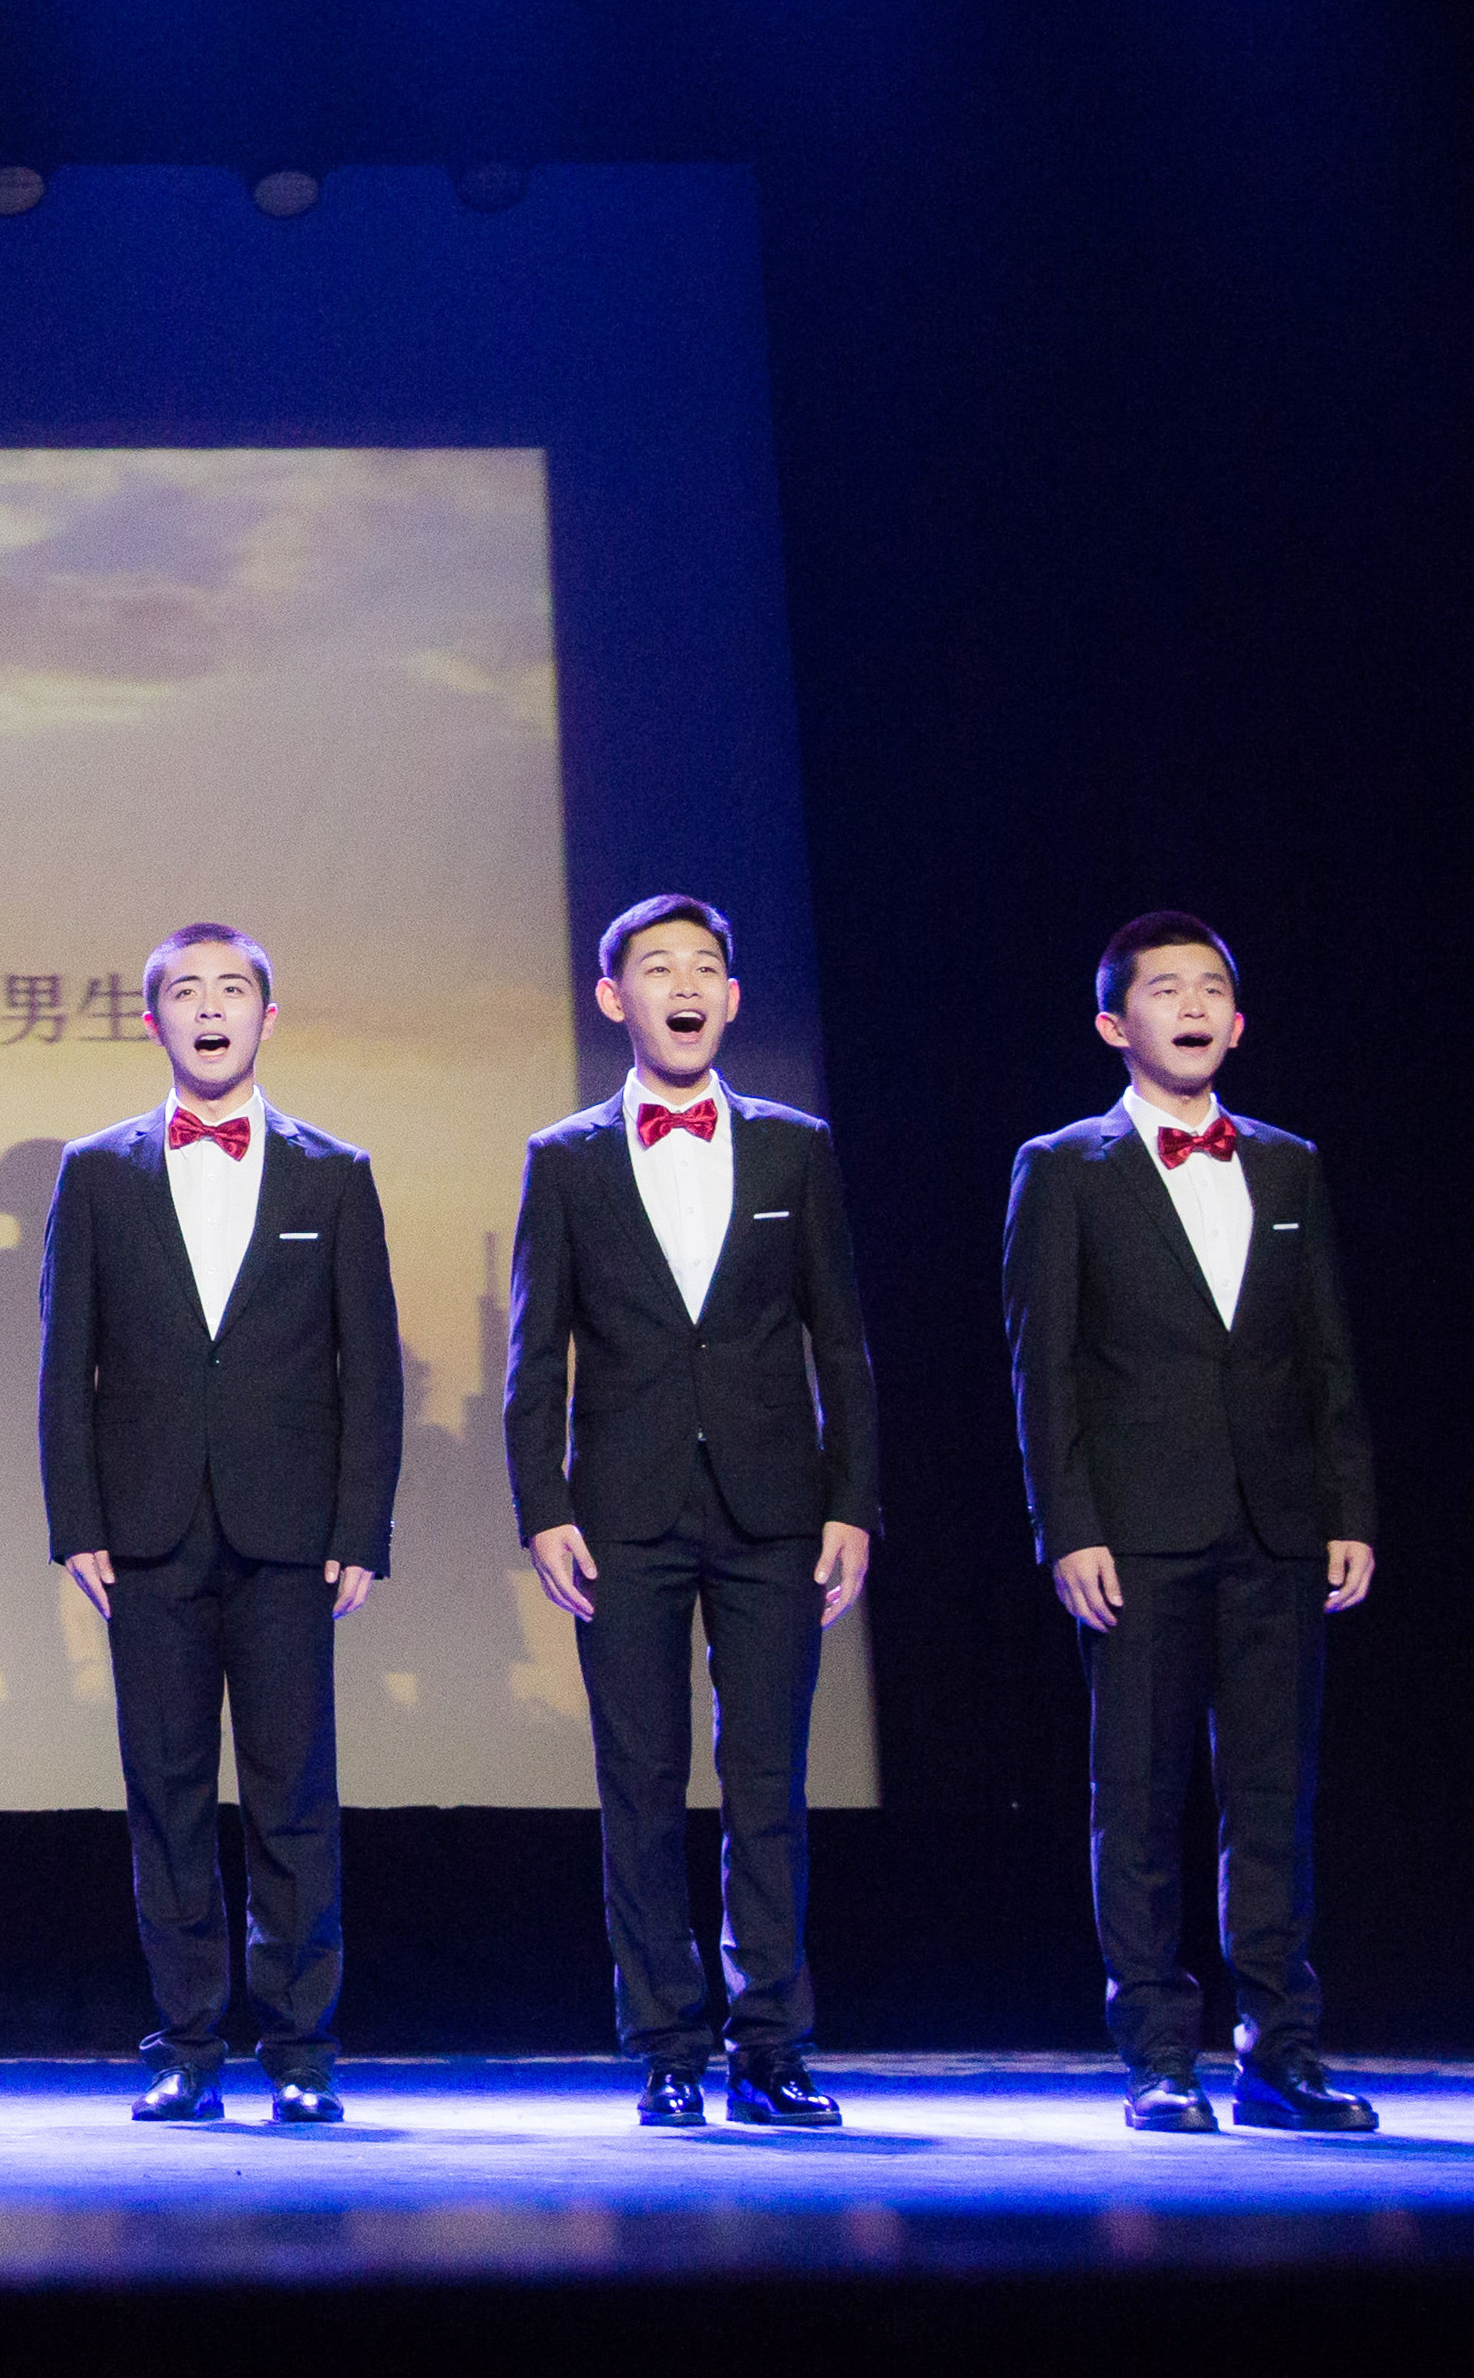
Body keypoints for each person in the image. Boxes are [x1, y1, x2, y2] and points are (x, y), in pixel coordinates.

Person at [501, 896, 879, 2130]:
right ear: (614, 999)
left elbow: (840, 1341)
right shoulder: (564, 1158)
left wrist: (851, 1503)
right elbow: (532, 1352)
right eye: (657, 967)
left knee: (767, 1780)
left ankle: (771, 2044)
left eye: (704, 966)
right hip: (621, 1510)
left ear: (731, 997)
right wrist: (542, 1507)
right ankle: (665, 2043)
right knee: (641, 1781)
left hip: (775, 1509)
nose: (684, 985)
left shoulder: (792, 1147)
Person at [1006, 911, 1380, 2134]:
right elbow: (1043, 1368)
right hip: (1135, 1532)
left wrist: (1347, 1506)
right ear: (1114, 1024)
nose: (1192, 1005)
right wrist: (1068, 1527)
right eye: (1165, 989)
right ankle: (1158, 2053)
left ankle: (1280, 2052)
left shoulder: (1287, 1163)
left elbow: (1325, 1354)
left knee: (1272, 1797)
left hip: (1275, 1525)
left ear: (1238, 1019)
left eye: (1211, 987)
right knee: (1139, 1796)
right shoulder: (1064, 1166)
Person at [37, 921, 399, 2127]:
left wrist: (361, 1525)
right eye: (185, 992)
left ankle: (300, 2051)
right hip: (144, 1532)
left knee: (294, 1795)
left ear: (265, 1018)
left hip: (290, 1532)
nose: (209, 1008)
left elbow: (369, 1369)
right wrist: (75, 1521)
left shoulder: (332, 1173)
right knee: (167, 1793)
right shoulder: (97, 1172)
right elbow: (63, 1362)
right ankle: (185, 2044)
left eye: (231, 990)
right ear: (152, 1021)